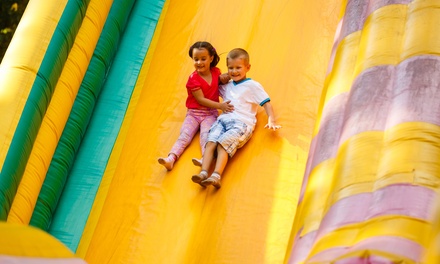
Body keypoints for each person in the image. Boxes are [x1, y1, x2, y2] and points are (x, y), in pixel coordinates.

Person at [191, 48, 281, 188]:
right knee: (211, 141)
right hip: (222, 120)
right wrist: (221, 78)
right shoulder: (227, 85)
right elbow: (213, 85)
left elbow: (266, 103)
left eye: (238, 68)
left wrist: (272, 120)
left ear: (248, 67)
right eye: (230, 68)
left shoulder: (252, 86)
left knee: (223, 144)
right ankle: (203, 172)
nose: (234, 71)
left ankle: (216, 175)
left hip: (241, 123)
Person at [158, 41, 233, 171]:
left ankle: (205, 158)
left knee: (206, 136)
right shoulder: (193, 79)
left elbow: (217, 81)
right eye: (196, 59)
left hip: (210, 114)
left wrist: (223, 78)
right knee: (184, 135)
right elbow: (201, 99)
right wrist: (220, 105)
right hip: (194, 113)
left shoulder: (216, 72)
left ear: (211, 58)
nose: (199, 62)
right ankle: (171, 158)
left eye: (203, 59)